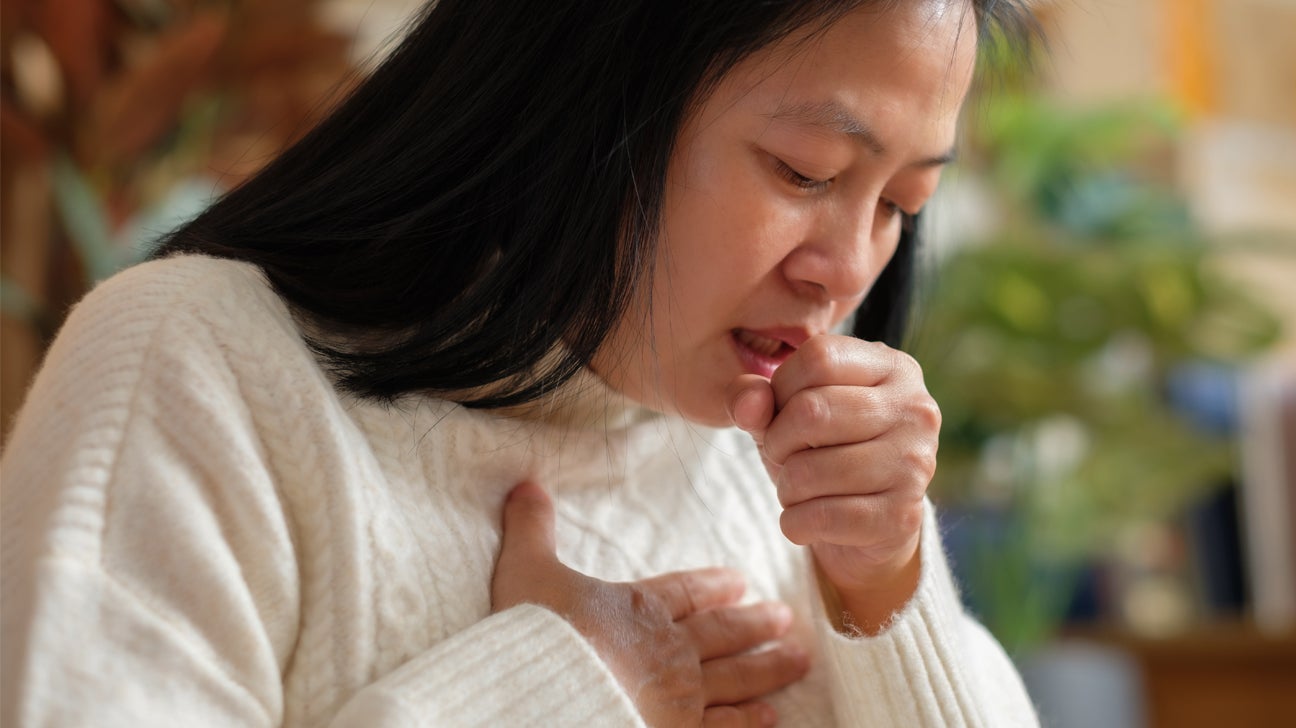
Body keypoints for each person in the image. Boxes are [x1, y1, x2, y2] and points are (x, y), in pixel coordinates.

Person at [1, 0, 1041, 725]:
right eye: (803, 170)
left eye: (901, 203)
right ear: (590, 93)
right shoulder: (199, 371)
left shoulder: (779, 479)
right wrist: (560, 686)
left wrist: (883, 580)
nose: (846, 265)